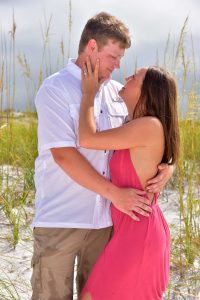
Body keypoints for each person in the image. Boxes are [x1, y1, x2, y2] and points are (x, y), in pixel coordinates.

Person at [31, 12, 173, 300]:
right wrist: (115, 194)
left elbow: (148, 136)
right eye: (113, 57)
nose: (118, 66)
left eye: (121, 59)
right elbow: (64, 155)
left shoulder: (115, 93)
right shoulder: (55, 89)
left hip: (106, 225)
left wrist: (168, 165)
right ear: (92, 47)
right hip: (62, 220)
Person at [79, 61, 180, 300]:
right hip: (130, 232)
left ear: (147, 92)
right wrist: (171, 168)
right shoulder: (134, 125)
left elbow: (87, 138)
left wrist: (88, 94)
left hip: (140, 236)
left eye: (134, 77)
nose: (126, 78)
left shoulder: (148, 125)